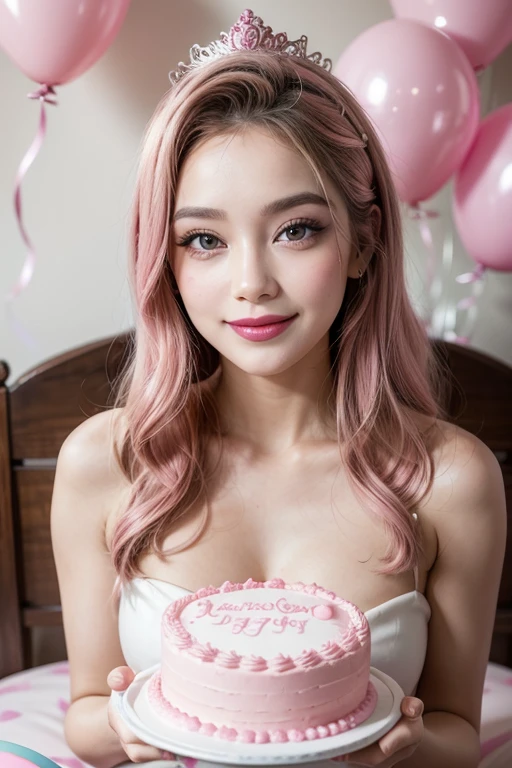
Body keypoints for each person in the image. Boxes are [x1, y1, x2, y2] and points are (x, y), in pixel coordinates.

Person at [50, 9, 506, 768]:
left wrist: (409, 747)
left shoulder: (451, 480)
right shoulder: (107, 463)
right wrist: (125, 730)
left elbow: (460, 731)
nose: (251, 284)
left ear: (362, 241)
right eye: (204, 240)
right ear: (166, 262)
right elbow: (88, 713)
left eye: (296, 229)